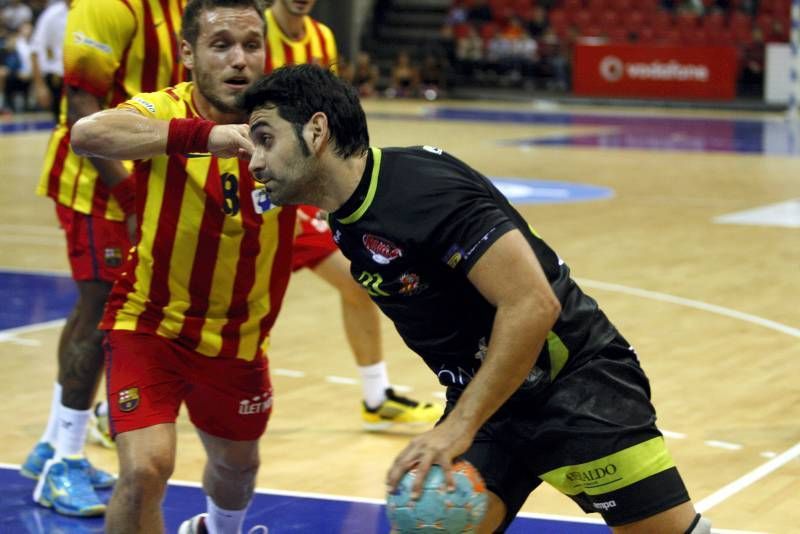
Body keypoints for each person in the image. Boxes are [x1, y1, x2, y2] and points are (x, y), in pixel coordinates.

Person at [237, 64, 713, 533]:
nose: (254, 161)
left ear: (317, 131)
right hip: (490, 399)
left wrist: (459, 426)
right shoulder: (346, 216)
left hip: (574, 385)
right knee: (434, 526)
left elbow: (533, 304)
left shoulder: (425, 192)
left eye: (265, 139)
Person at [70, 1, 289, 532]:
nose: (239, 59)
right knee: (146, 470)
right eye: (221, 45)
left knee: (237, 470)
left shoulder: (291, 123)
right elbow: (88, 133)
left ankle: (217, 528)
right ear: (189, 53)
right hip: (150, 322)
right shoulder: (166, 109)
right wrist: (202, 137)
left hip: (239, 336)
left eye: (251, 44)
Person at [26, 0, 186, 517]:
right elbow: (82, 111)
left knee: (89, 312)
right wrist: (132, 201)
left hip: (135, 179)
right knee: (101, 318)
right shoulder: (105, 6)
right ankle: (64, 463)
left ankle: (53, 444)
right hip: (97, 182)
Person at [264, 0, 440, 429]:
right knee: (222, 306)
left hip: (300, 194)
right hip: (258, 188)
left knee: (358, 280)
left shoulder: (321, 38)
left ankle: (376, 396)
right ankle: (116, 405)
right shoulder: (254, 36)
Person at [29, 0, 67, 121]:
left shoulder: (92, 12)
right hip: (59, 80)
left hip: (87, 80)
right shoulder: (51, 15)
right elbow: (34, 52)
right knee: (62, 124)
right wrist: (40, 87)